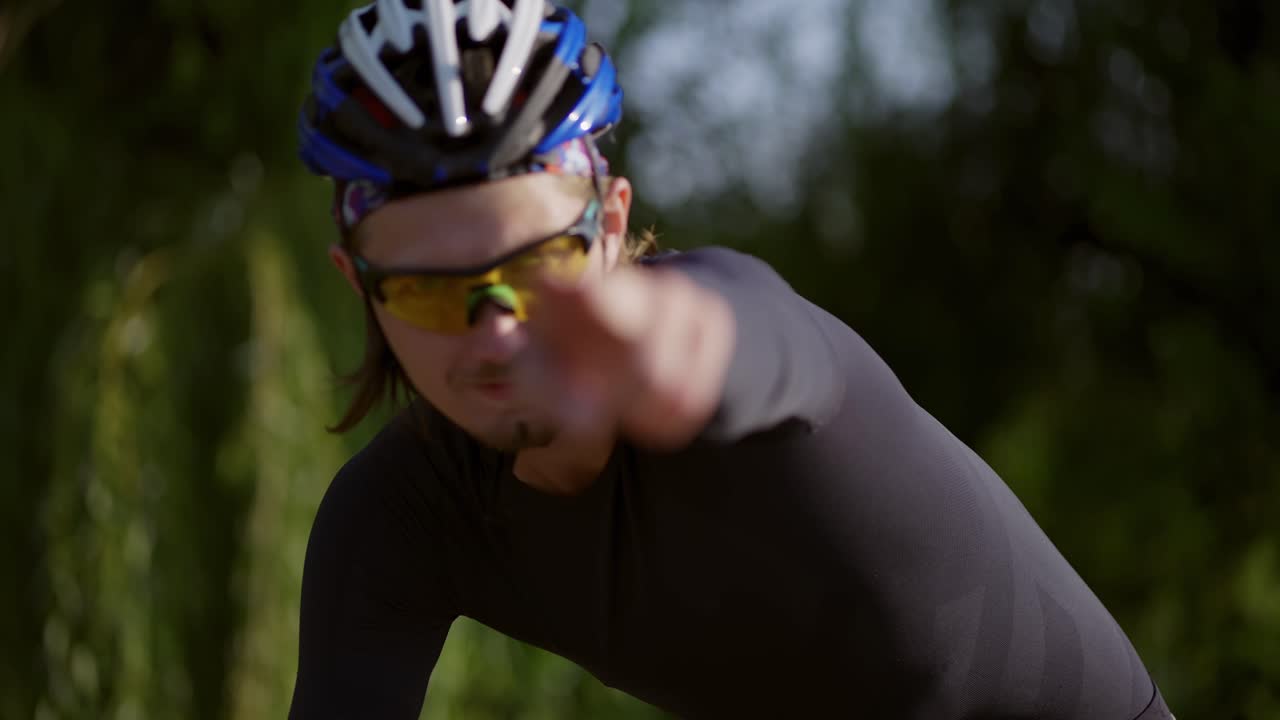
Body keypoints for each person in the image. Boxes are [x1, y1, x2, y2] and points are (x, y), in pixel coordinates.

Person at [288, 1, 1174, 718]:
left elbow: (744, 344)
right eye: (431, 291)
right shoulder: (398, 517)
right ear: (358, 285)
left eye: (536, 265)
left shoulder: (751, 341)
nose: (497, 331)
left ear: (611, 226)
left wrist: (663, 337)